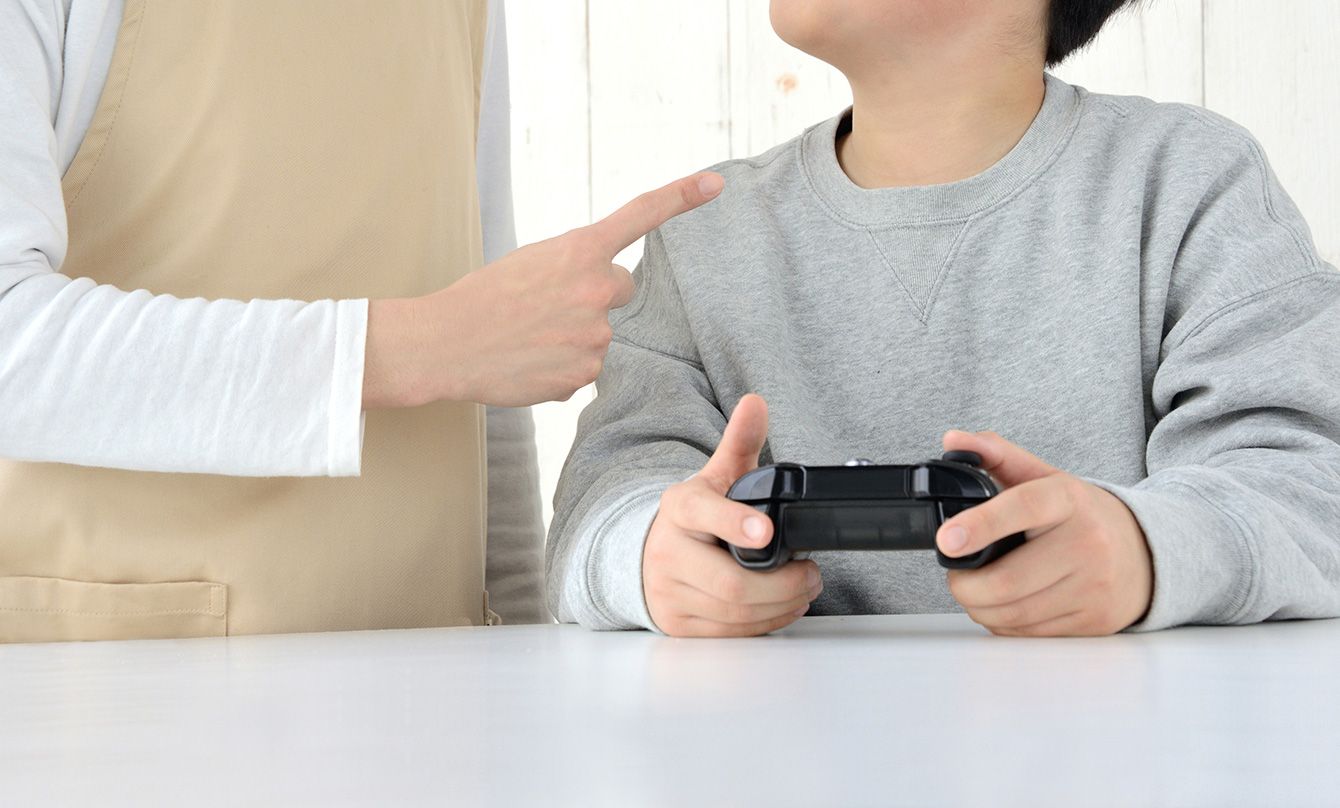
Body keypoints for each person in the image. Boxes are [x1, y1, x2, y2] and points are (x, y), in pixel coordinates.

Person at [547, 0, 1340, 638]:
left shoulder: (1186, 180)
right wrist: (649, 558)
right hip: (783, 747)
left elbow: (1309, 490)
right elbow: (600, 502)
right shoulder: (705, 234)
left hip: (1120, 739)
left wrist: (1143, 550)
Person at [0, 0, 722, 643]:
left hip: (429, 674)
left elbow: (494, 343)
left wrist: (522, 621)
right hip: (126, 686)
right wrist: (413, 349)